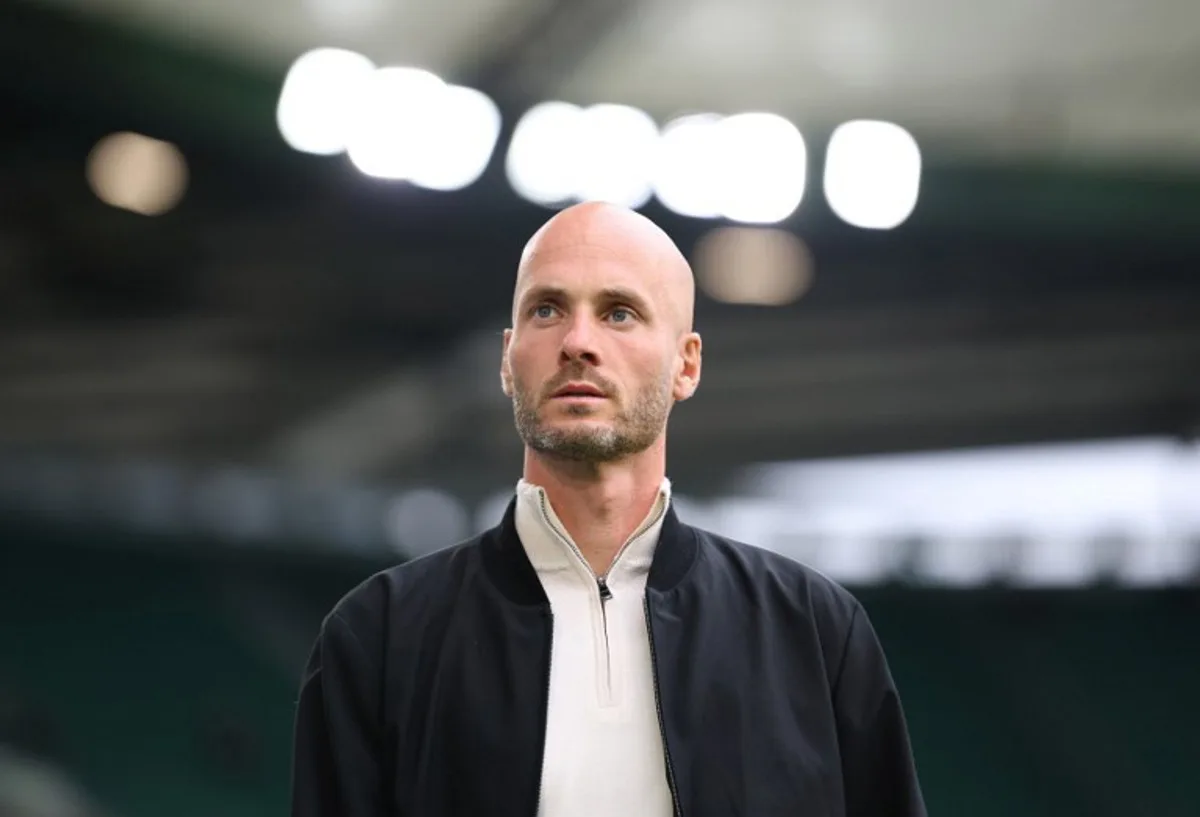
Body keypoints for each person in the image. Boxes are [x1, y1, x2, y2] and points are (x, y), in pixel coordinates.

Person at [290, 202, 927, 817]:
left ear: (687, 364)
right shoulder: (376, 637)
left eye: (619, 313)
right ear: (507, 360)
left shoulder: (816, 634)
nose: (578, 342)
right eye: (547, 309)